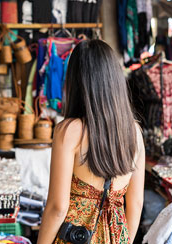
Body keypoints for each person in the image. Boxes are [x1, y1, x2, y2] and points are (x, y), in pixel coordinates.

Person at [37, 40, 145, 244]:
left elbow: (57, 207)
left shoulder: (69, 131)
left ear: (77, 81)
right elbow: (136, 203)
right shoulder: (135, 132)